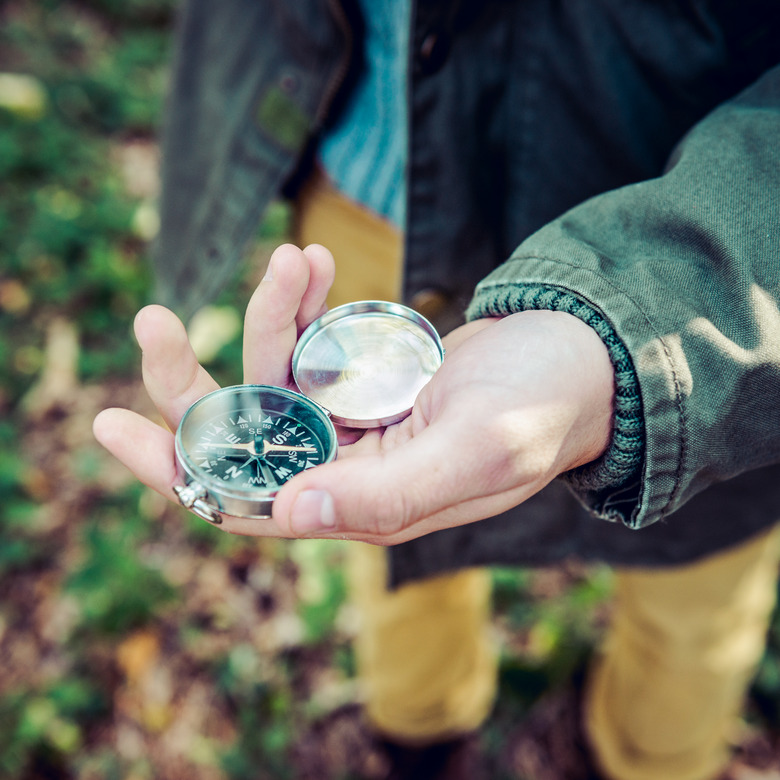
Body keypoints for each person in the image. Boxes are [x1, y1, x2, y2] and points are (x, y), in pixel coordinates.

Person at [93, 2, 780, 778]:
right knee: (393, 541)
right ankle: (420, 739)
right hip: (367, 198)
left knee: (695, 585)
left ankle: (650, 760)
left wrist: (651, 318)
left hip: (697, 255)